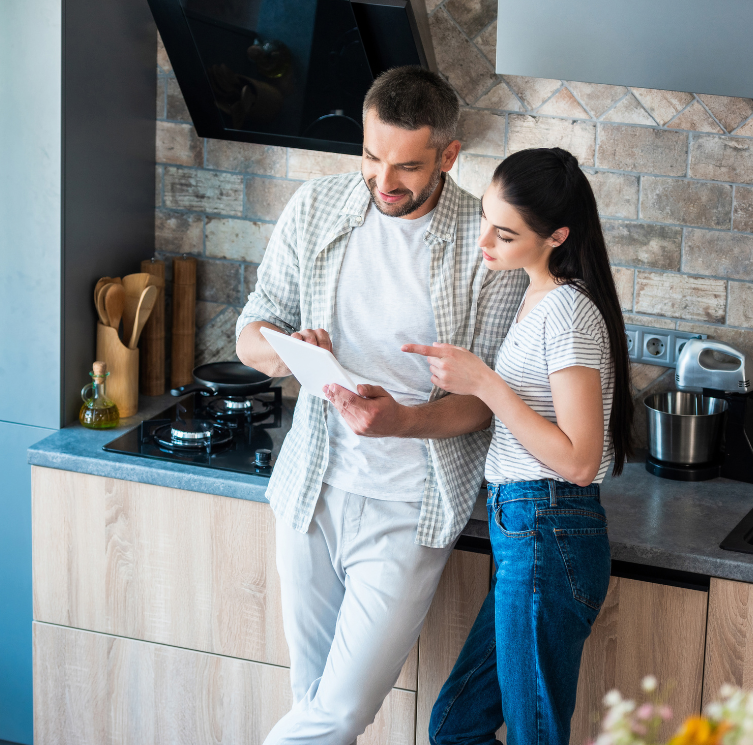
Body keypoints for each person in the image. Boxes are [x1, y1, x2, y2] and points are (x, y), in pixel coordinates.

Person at [235, 66, 527, 745]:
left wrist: (404, 420)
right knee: (313, 704)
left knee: (336, 714)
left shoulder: (487, 245)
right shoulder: (317, 207)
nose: (384, 181)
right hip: (310, 491)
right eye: (371, 157)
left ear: (450, 157)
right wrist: (288, 348)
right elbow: (251, 330)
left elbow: (483, 403)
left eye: (407, 166)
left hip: (407, 507)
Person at [404, 147, 633, 745]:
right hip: (527, 531)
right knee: (456, 725)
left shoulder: (568, 314)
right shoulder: (535, 298)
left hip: (548, 526)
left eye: (504, 233)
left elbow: (580, 459)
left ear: (557, 235)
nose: (486, 242)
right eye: (486, 218)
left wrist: (486, 383)